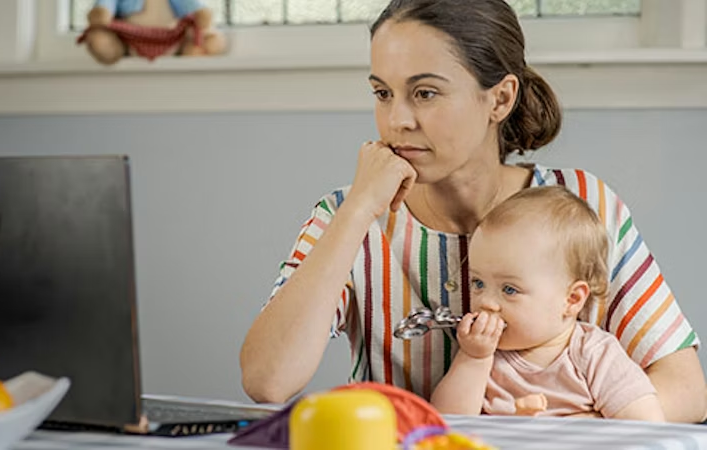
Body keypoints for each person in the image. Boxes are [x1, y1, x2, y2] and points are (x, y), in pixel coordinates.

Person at [239, 0, 707, 422]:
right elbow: (267, 381)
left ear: (500, 98)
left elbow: (687, 389)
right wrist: (360, 208)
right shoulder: (344, 215)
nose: (397, 120)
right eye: (383, 93)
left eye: (425, 93)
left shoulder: (583, 201)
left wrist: (552, 434)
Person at [430, 186, 665, 421]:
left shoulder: (595, 354)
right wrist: (473, 359)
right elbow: (446, 422)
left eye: (509, 289)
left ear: (571, 300)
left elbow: (646, 424)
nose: (486, 303)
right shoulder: (485, 354)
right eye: (478, 283)